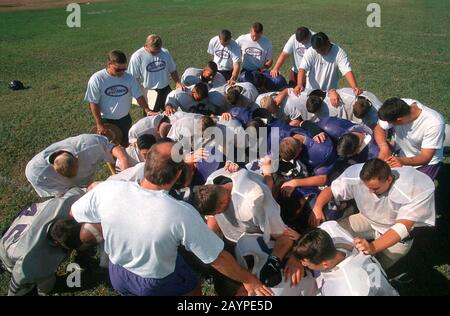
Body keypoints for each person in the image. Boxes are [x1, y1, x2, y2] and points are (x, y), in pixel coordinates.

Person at [71, 142, 273, 296]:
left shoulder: (108, 189)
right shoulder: (181, 213)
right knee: (192, 289)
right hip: (157, 279)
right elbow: (216, 258)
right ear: (177, 174)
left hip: (117, 273)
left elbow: (74, 212)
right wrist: (248, 279)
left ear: (147, 163)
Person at [310, 159, 436, 269]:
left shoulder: (414, 188)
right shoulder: (355, 175)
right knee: (334, 231)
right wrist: (317, 207)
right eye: (367, 187)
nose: (369, 191)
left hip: (396, 235)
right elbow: (331, 189)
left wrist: (373, 247)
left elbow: (402, 227)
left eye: (375, 188)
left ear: (389, 179)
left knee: (376, 268)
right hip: (368, 219)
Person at [195, 168, 304, 287]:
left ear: (222, 203)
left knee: (266, 276)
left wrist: (274, 261)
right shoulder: (211, 183)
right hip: (234, 239)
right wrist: (209, 239)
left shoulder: (253, 203)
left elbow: (285, 237)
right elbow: (211, 218)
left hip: (258, 236)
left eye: (217, 212)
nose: (216, 215)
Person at [0, 188, 102, 296]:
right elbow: (22, 288)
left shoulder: (68, 203)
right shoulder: (32, 261)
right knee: (48, 287)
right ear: (57, 244)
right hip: (9, 255)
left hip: (21, 228)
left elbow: (88, 189)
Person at [291, 221, 399, 296]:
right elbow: (324, 228)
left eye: (307, 264)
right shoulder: (330, 229)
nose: (303, 265)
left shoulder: (348, 290)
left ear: (325, 264)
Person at [25, 134, 130, 198]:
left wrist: (124, 165)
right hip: (44, 178)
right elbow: (64, 195)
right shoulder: (37, 173)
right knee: (73, 198)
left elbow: (112, 147)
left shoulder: (90, 144)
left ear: (76, 158)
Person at [85, 50, 151, 146]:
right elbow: (93, 103)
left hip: (124, 119)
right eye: (118, 69)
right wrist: (99, 124)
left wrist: (147, 110)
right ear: (109, 64)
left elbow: (139, 96)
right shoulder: (97, 79)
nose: (121, 72)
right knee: (108, 148)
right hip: (106, 121)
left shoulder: (129, 78)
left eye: (124, 69)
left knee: (125, 144)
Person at [374, 97, 445, 180]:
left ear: (399, 120)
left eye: (390, 123)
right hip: (403, 154)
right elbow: (379, 128)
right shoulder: (400, 106)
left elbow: (426, 156)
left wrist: (402, 161)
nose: (388, 124)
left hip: (426, 163)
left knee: (417, 190)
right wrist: (384, 147)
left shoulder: (434, 123)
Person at [293, 32, 362, 107]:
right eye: (318, 51)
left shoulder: (339, 52)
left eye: (323, 49)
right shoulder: (311, 51)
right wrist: (299, 84)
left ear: (328, 42)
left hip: (330, 95)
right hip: (312, 92)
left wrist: (354, 87)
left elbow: (347, 71)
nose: (321, 53)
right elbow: (302, 69)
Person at [128, 34, 185, 113]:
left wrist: (178, 82)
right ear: (146, 45)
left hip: (165, 90)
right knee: (152, 119)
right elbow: (132, 78)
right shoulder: (137, 57)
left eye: (159, 51)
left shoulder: (165, 52)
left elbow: (172, 69)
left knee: (173, 113)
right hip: (150, 93)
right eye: (153, 52)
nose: (157, 54)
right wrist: (140, 94)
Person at [236, 22, 287, 91]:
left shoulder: (267, 42)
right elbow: (233, 48)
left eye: (257, 36)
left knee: (279, 80)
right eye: (253, 35)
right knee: (244, 78)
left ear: (261, 33)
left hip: (261, 71)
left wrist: (264, 68)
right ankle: (260, 89)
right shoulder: (242, 39)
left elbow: (269, 61)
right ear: (250, 30)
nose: (254, 38)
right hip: (246, 71)